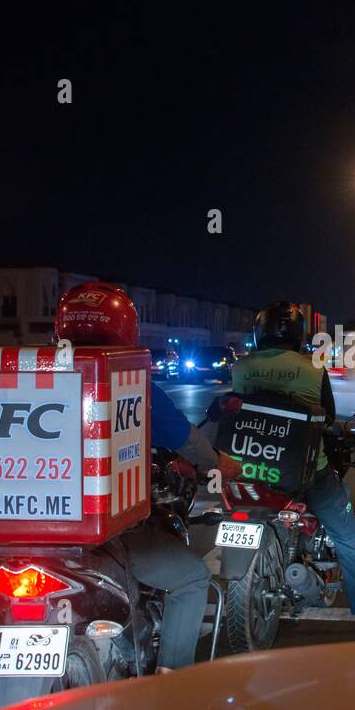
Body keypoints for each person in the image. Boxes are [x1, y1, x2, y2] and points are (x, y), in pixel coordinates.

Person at [55, 281, 238, 671]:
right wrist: (219, 463)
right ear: (126, 329)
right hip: (103, 534)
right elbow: (186, 441)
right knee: (190, 579)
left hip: (31, 534)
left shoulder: (33, 376)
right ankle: (168, 688)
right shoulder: (128, 381)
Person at [228, 301, 355, 617]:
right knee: (349, 537)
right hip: (307, 472)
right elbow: (325, 416)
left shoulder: (240, 369)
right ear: (299, 335)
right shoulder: (313, 369)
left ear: (259, 333)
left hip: (251, 467)